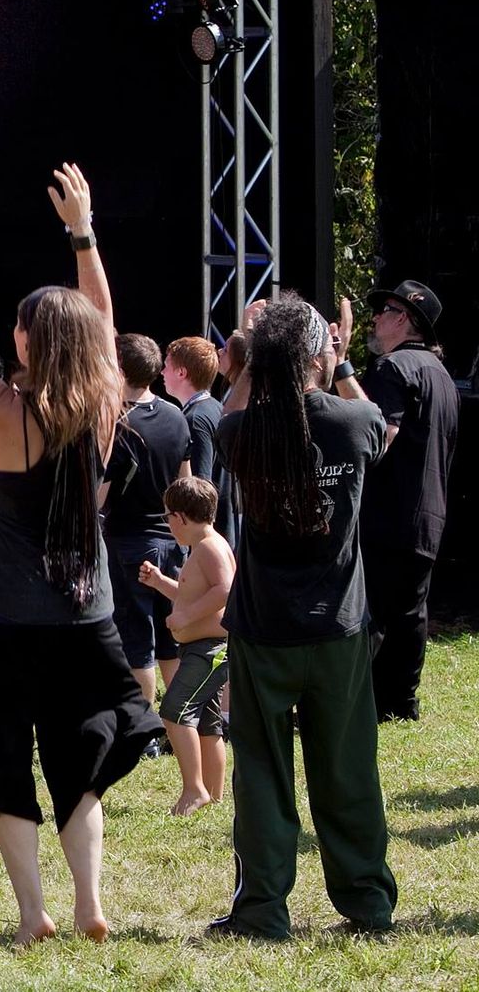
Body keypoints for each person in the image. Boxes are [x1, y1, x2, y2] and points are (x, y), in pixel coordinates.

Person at [0, 166, 161, 947]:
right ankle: (89, 902)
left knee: (0, 762)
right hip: (87, 616)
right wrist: (82, 232)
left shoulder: (1, 412)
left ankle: (32, 914)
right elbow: (104, 320)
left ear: (24, 340)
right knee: (80, 761)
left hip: (6, 621)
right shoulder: (103, 405)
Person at [207, 292, 396, 941]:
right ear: (318, 355)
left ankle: (263, 910)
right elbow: (380, 426)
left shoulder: (243, 431)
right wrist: (341, 361)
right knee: (348, 770)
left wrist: (250, 363)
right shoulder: (353, 422)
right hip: (337, 627)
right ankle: (367, 904)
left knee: (261, 773)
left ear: (262, 361)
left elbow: (227, 418)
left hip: (265, 629)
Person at [355, 280, 459, 722]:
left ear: (404, 319)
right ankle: (400, 702)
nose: (376, 318)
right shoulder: (442, 376)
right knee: (410, 611)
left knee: (370, 612)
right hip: (428, 516)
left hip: (386, 513)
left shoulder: (391, 368)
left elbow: (379, 438)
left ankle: (358, 701)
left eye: (385, 311)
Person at [101, 333, 191, 710]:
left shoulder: (116, 423)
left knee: (137, 643)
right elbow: (186, 483)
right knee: (171, 639)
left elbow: (98, 497)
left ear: (119, 368)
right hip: (172, 539)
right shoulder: (175, 415)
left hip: (129, 544)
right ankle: (183, 718)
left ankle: (145, 728)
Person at [138, 476, 235, 816]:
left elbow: (226, 589)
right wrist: (160, 582)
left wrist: (185, 617)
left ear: (179, 517)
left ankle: (195, 790)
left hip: (210, 649)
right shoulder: (202, 547)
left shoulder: (209, 547)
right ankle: (213, 793)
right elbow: (191, 595)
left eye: (167, 516)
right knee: (206, 721)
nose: (167, 523)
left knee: (174, 711)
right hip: (202, 648)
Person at [164, 336, 237, 545]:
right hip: (221, 532)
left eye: (166, 366)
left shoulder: (194, 420)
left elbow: (200, 485)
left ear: (181, 372)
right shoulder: (216, 407)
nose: (162, 372)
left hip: (206, 539)